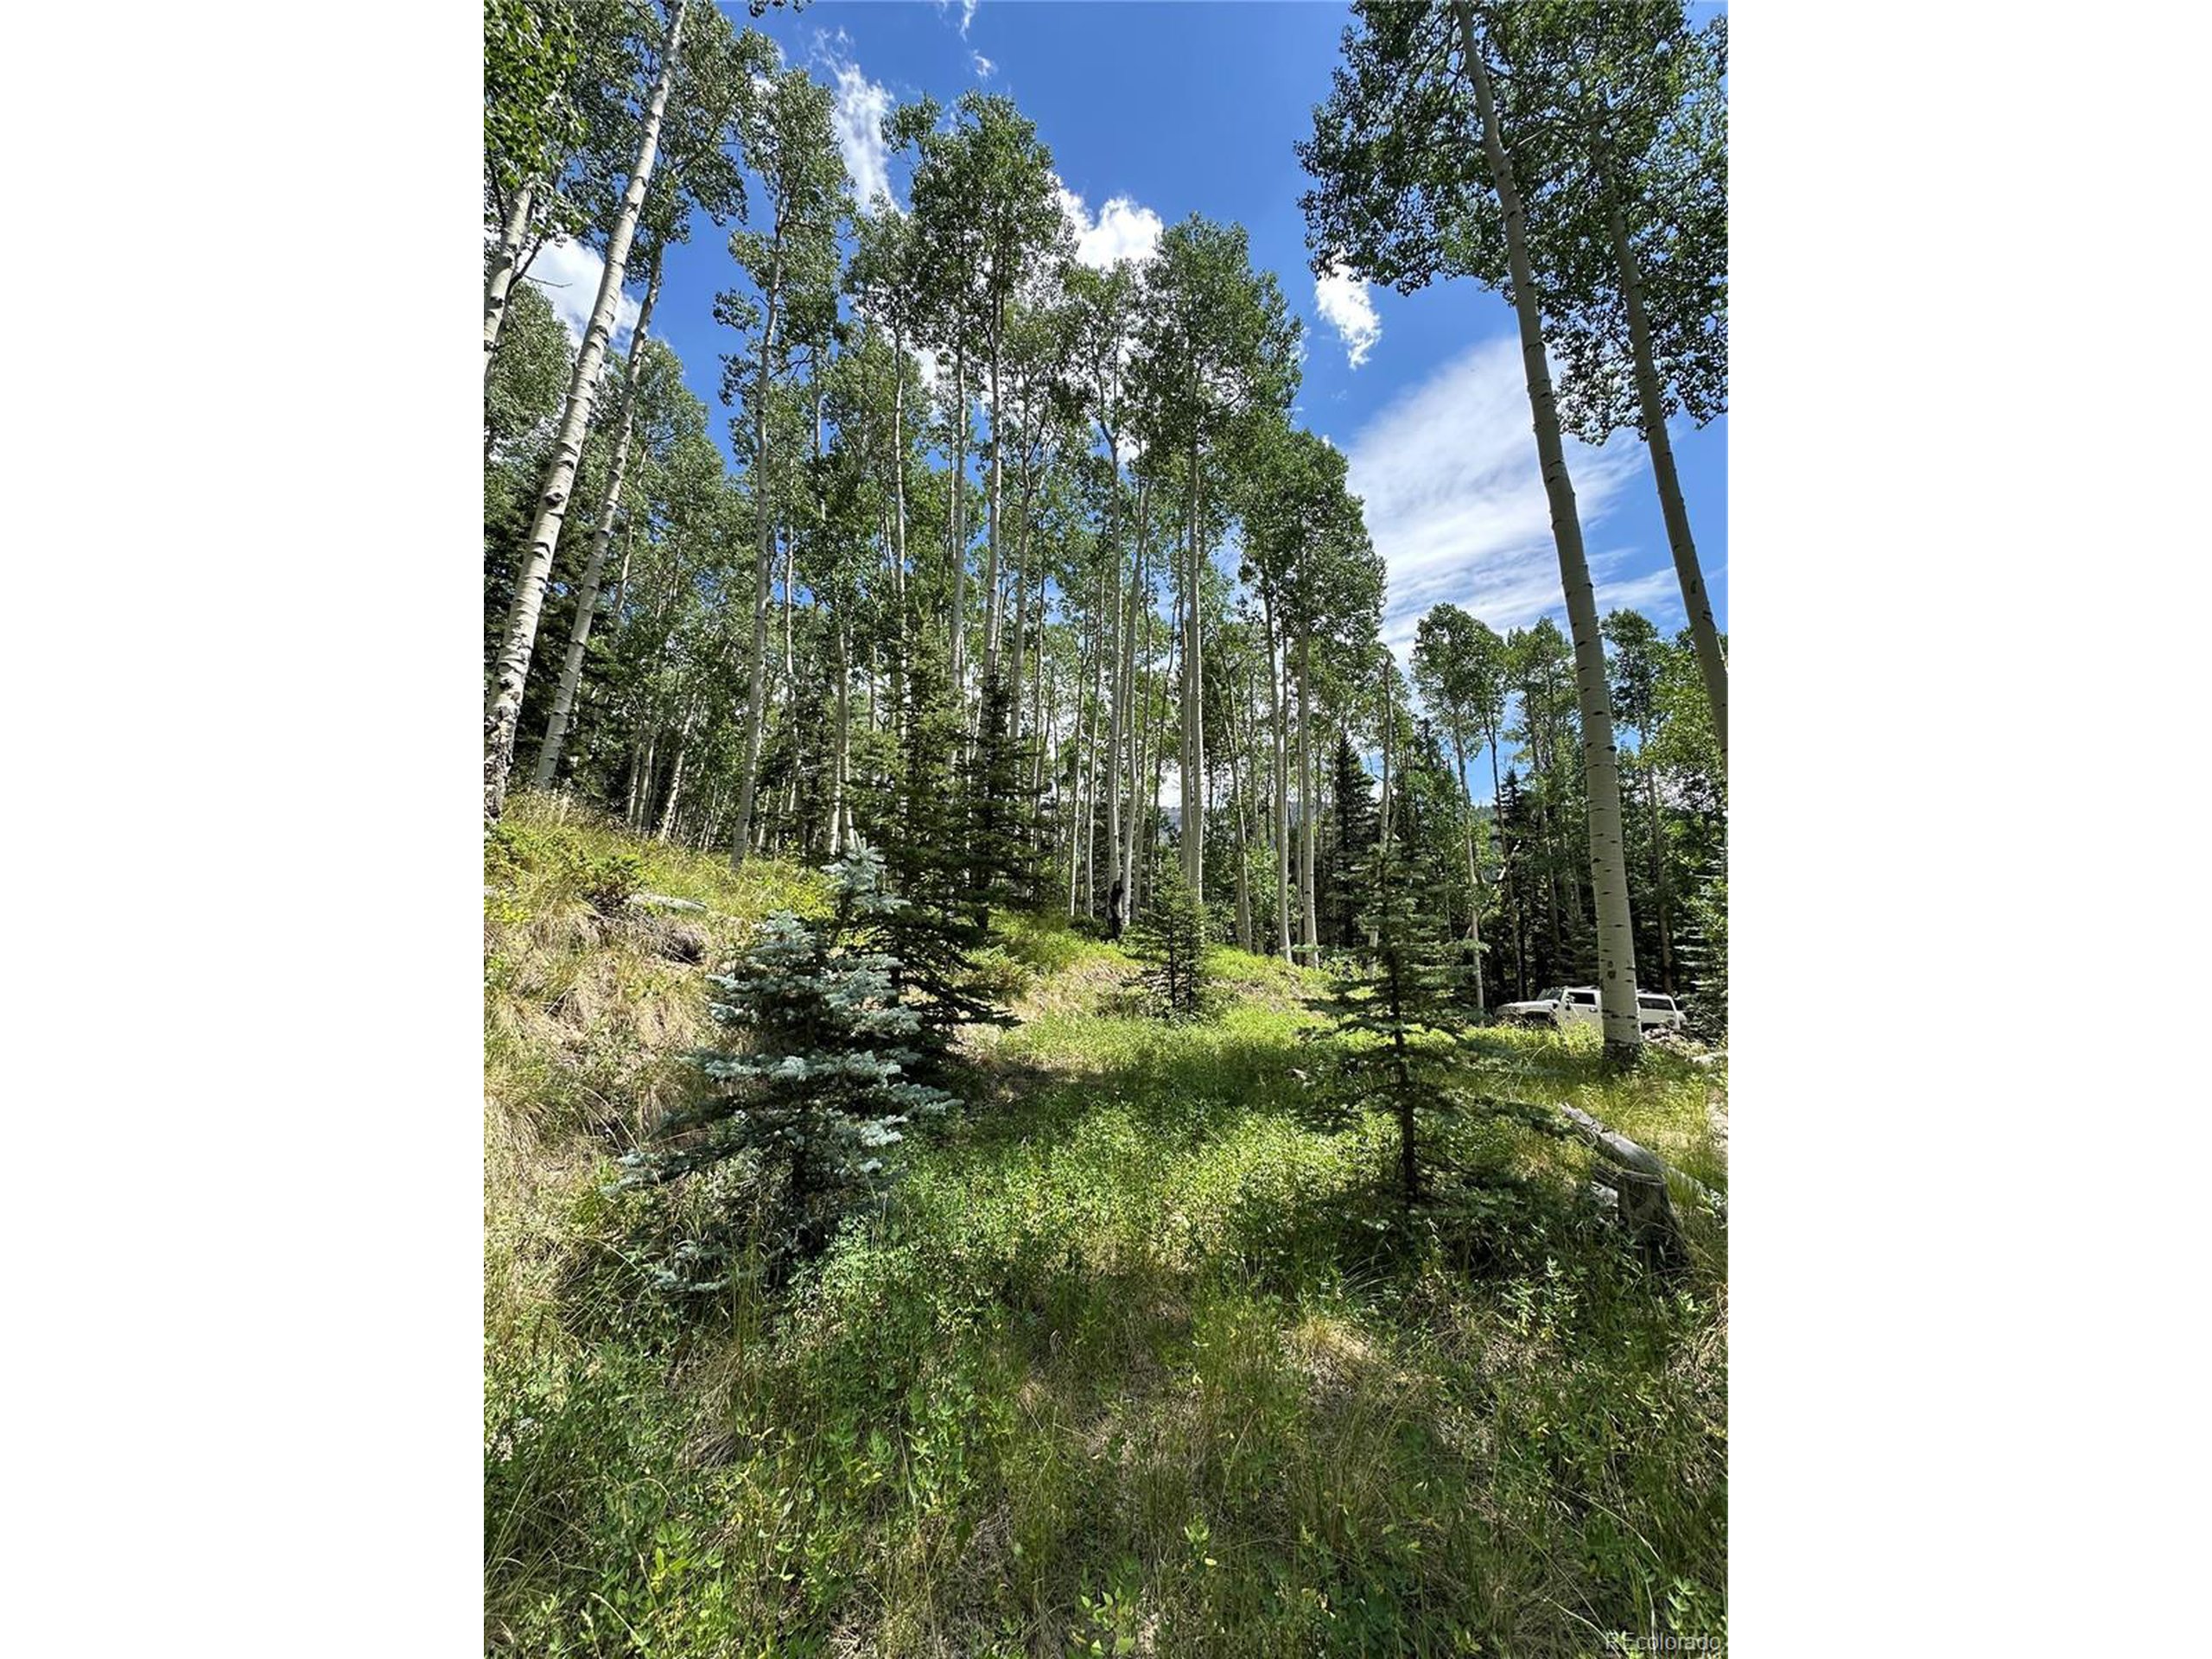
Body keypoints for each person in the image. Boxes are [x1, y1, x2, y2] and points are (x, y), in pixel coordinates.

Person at [1107, 878, 1125, 942]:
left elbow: (1120, 900)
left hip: (1118, 907)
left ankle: (1119, 935)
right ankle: (1114, 934)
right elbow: (1111, 899)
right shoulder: (1113, 892)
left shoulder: (1121, 892)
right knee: (1113, 921)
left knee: (1118, 921)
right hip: (1113, 907)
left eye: (1118, 885)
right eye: (1116, 885)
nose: (1117, 886)